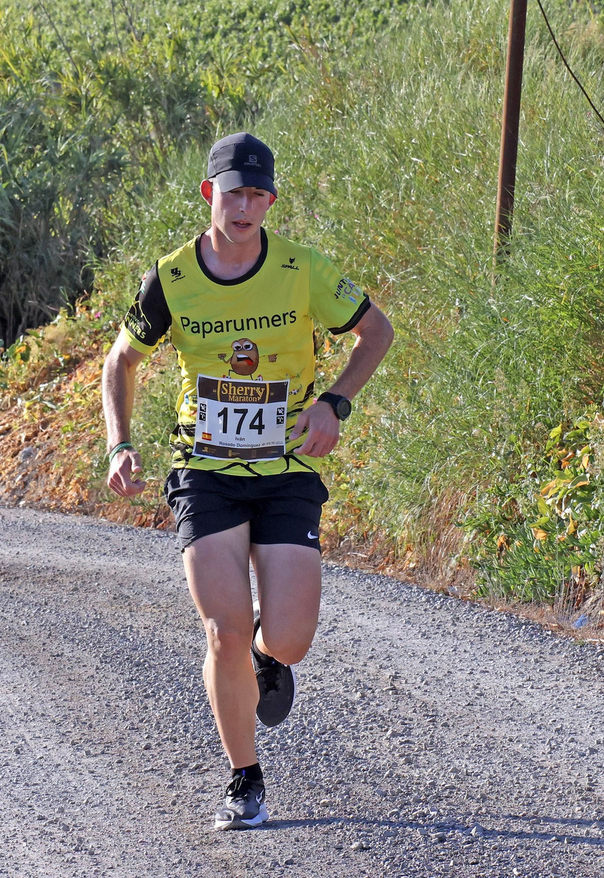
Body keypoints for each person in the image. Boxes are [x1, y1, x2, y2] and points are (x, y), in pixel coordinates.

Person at [101, 132, 394, 830]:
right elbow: (121, 362)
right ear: (211, 194)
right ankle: (244, 777)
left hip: (287, 465)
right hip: (203, 470)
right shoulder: (171, 278)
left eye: (258, 194)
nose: (245, 206)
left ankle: (270, 658)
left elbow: (377, 331)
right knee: (222, 630)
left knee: (287, 638)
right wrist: (120, 444)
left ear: (269, 201)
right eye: (233, 192)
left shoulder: (301, 270)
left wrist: (335, 403)